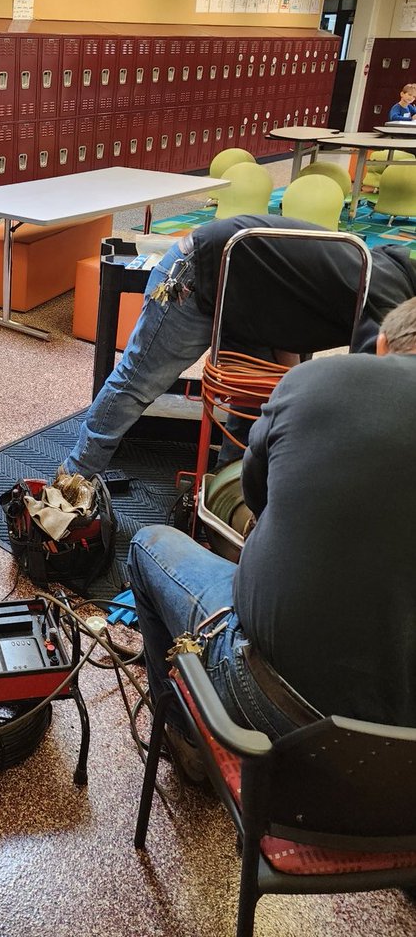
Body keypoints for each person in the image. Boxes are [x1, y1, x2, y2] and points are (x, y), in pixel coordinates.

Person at [127, 296, 416, 777]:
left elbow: (256, 496)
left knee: (147, 547)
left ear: (382, 345)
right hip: (406, 770)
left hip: (282, 707)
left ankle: (187, 741)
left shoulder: (315, 380)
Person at [63, 213, 416, 478]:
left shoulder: (390, 279)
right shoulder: (388, 297)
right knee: (137, 384)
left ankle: (225, 492)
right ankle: (70, 483)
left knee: (255, 402)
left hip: (251, 297)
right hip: (198, 274)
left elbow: (294, 317)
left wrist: (287, 390)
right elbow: (378, 393)